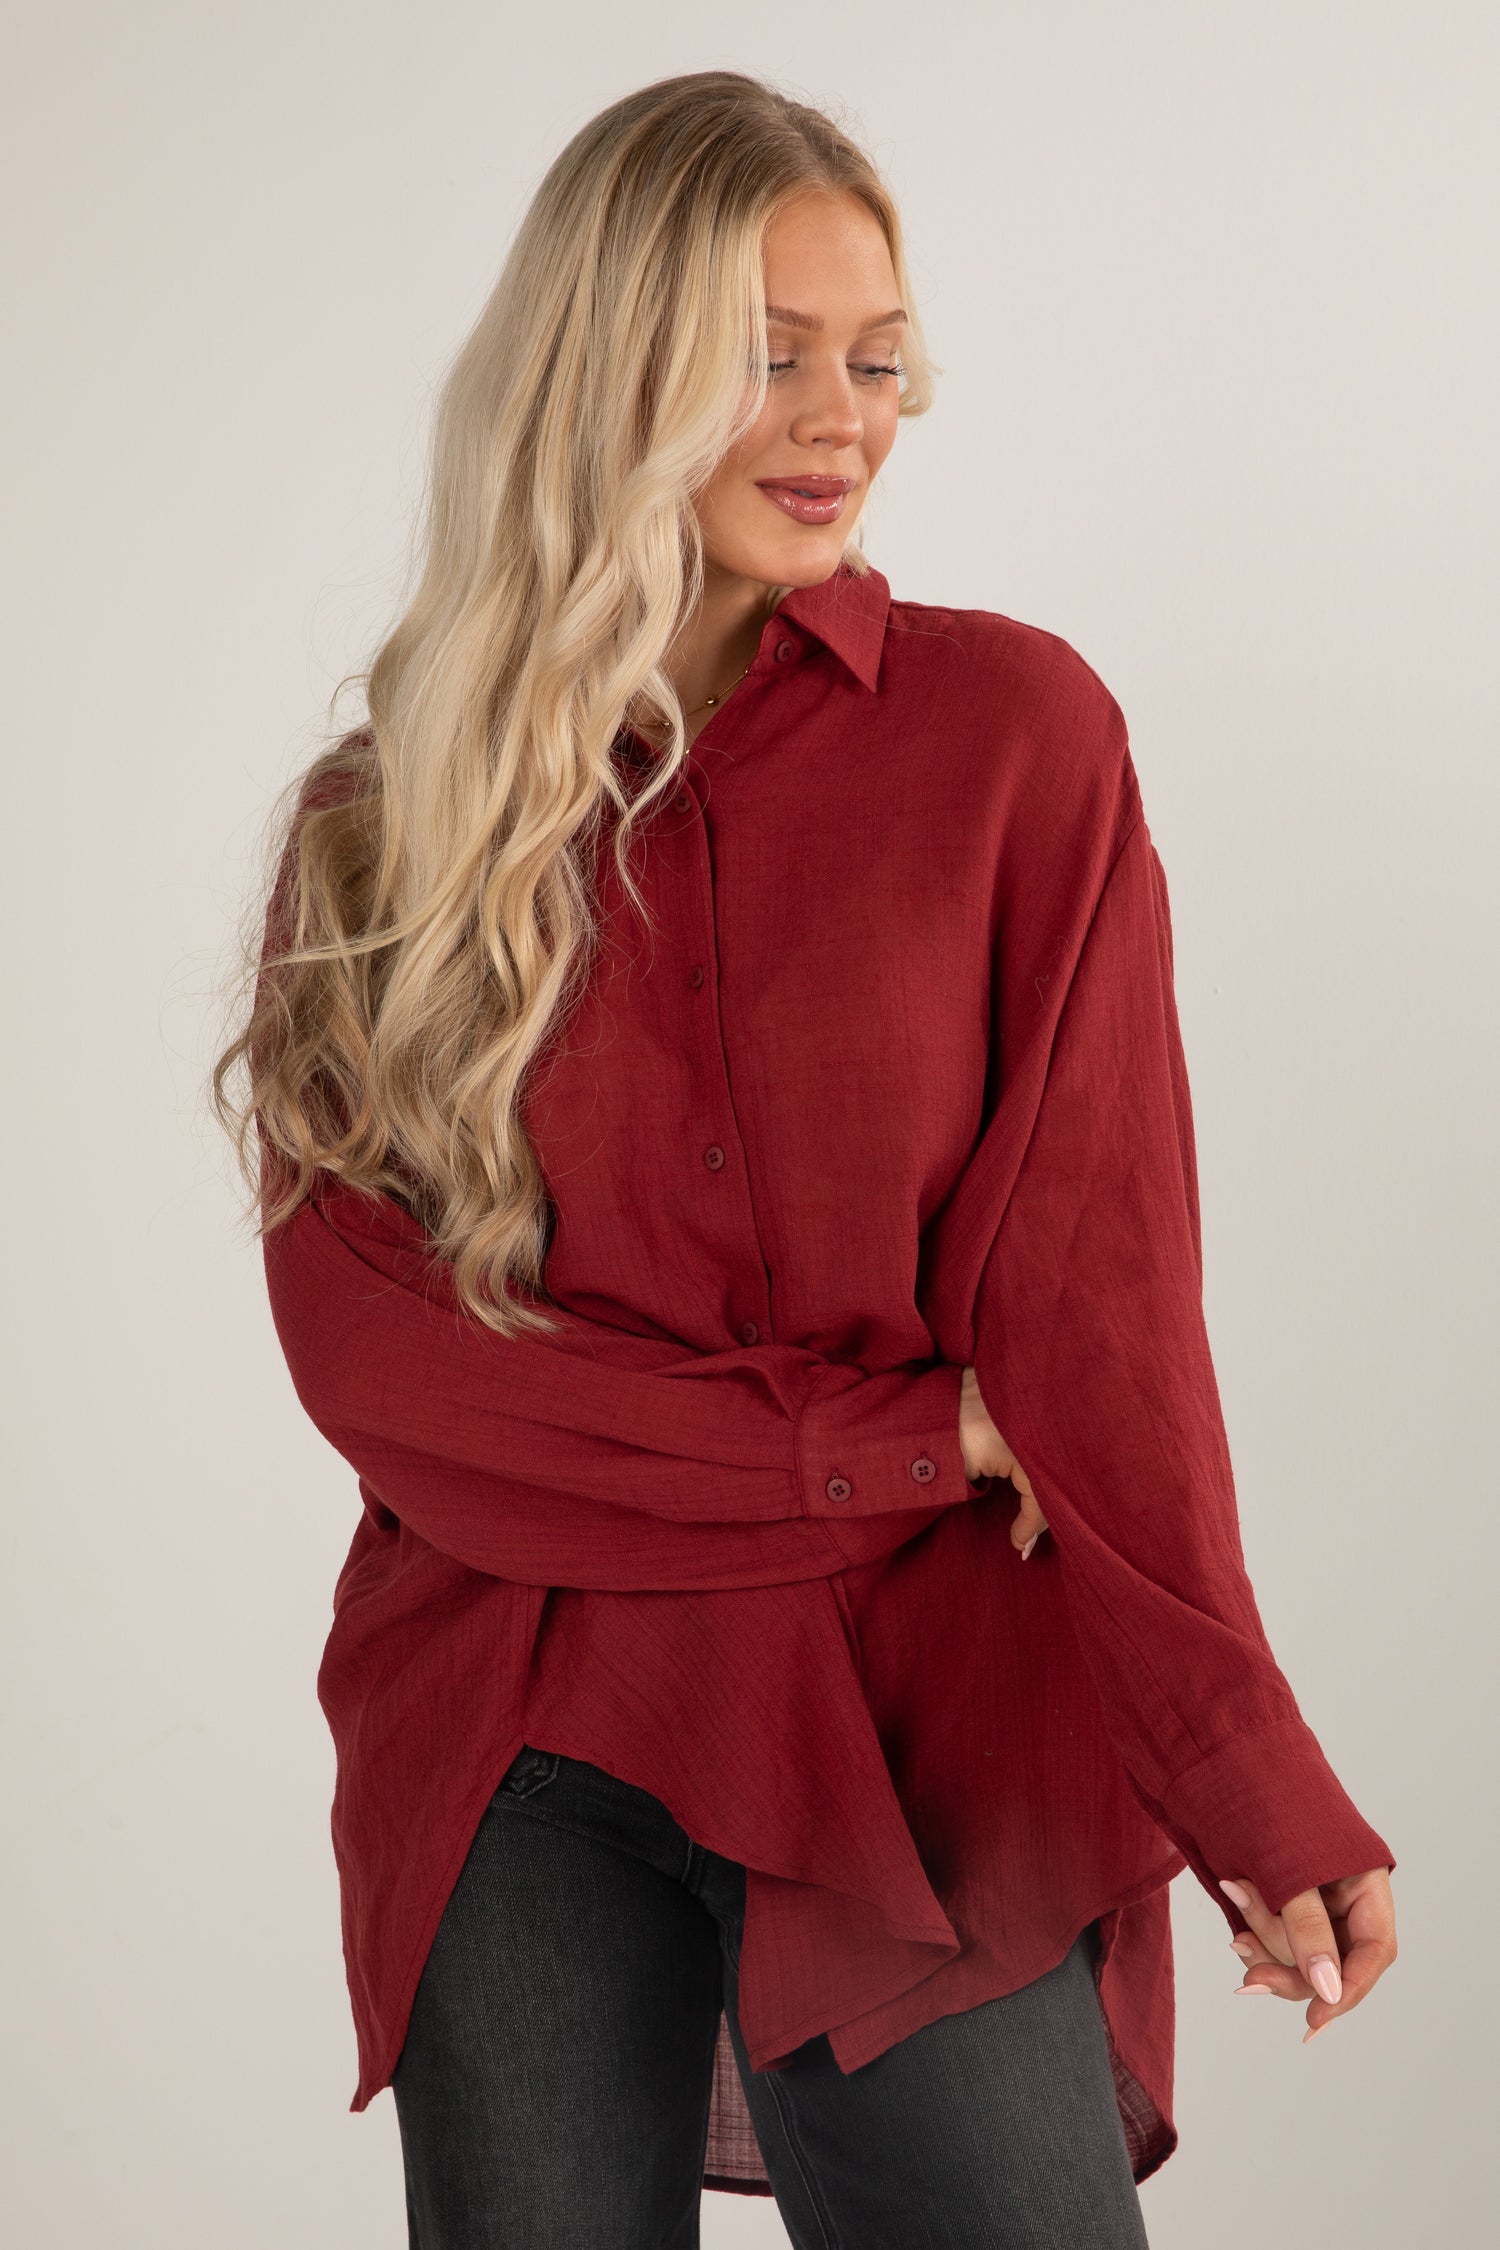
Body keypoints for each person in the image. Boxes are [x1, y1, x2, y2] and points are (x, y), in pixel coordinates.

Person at [213, 68, 1398, 2250]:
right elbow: (400, 1386)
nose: (839, 417)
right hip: (519, 1731)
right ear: (610, 371)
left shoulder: (1020, 743)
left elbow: (1101, 1317)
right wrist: (914, 1437)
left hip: (922, 1729)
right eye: (765, 357)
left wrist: (1247, 1774)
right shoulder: (386, 831)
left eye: (874, 360)